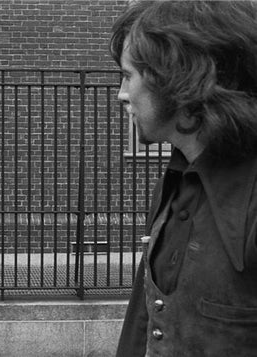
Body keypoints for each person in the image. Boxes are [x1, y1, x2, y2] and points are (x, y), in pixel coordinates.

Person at [109, 1, 257, 356]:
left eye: (129, 76)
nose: (121, 95)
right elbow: (146, 321)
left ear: (179, 80)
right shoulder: (176, 178)